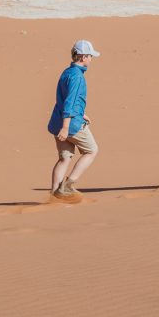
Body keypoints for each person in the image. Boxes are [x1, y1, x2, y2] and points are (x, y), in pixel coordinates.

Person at [47, 40, 101, 203]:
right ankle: (68, 186)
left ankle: (55, 194)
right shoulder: (78, 77)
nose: (91, 59)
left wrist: (81, 113)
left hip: (58, 121)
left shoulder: (68, 72)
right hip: (70, 124)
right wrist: (66, 127)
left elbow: (64, 98)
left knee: (65, 158)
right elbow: (70, 102)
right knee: (91, 151)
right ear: (83, 57)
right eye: (90, 56)